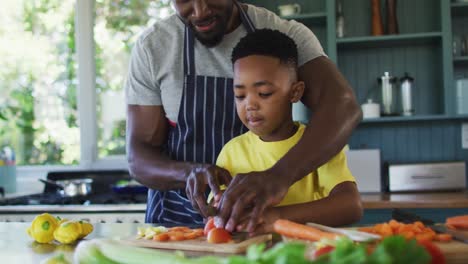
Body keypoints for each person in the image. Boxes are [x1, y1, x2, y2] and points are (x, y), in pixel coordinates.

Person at [125, 0, 362, 230]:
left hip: (260, 230)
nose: (200, 11)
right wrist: (189, 173)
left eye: (265, 92)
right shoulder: (154, 46)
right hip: (176, 224)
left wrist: (278, 176)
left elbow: (342, 106)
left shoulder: (284, 35)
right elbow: (138, 158)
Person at [209, 29, 362, 234]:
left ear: (295, 92)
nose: (250, 105)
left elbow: (351, 206)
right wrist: (219, 209)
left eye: (264, 93)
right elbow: (216, 212)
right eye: (240, 95)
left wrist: (277, 217)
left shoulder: (319, 145)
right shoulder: (231, 151)